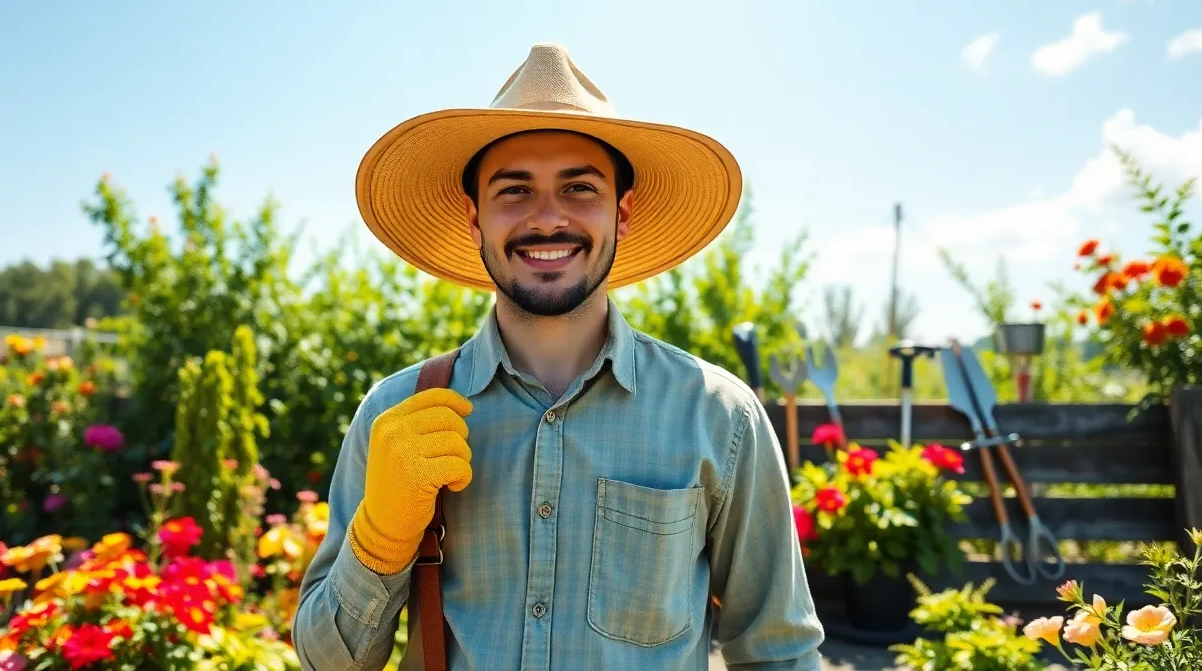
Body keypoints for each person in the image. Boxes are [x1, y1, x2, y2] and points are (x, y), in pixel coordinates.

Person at [292, 42, 824, 670]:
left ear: (621, 213)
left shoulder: (720, 418)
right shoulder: (397, 414)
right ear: (474, 218)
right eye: (514, 190)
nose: (548, 218)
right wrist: (379, 542)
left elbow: (779, 653)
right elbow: (328, 662)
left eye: (579, 187)